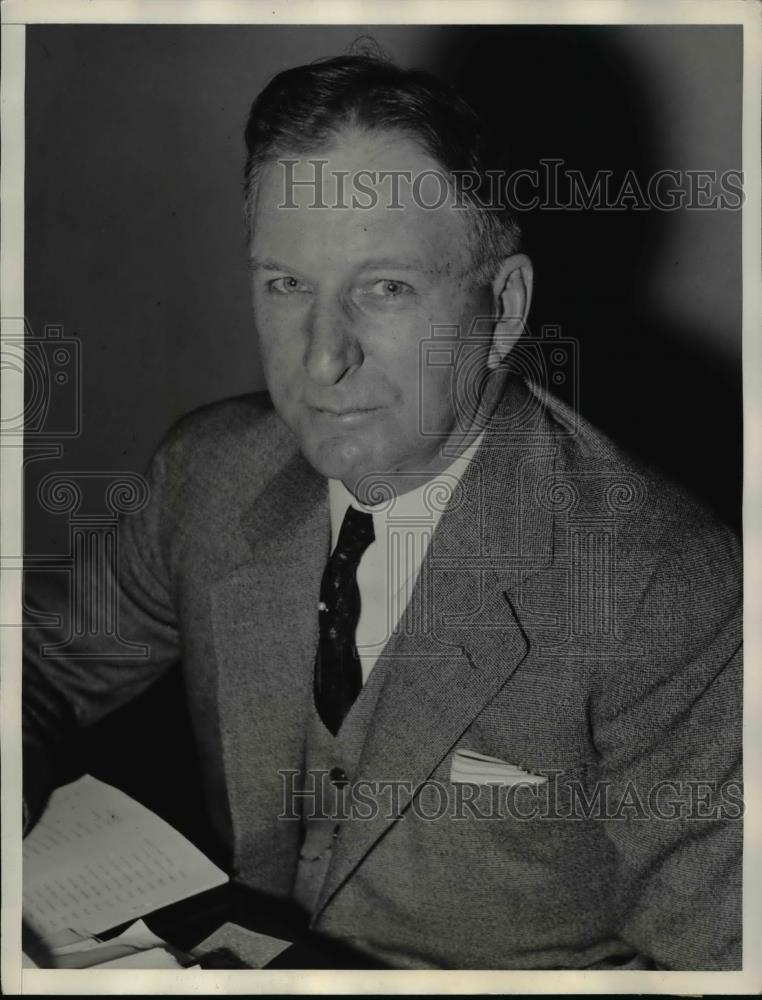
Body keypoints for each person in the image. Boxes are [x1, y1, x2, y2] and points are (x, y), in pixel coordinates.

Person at [23, 51, 742, 970]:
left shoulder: (660, 587)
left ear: (505, 307)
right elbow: (38, 661)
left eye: (386, 289)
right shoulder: (208, 475)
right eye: (287, 285)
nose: (323, 359)